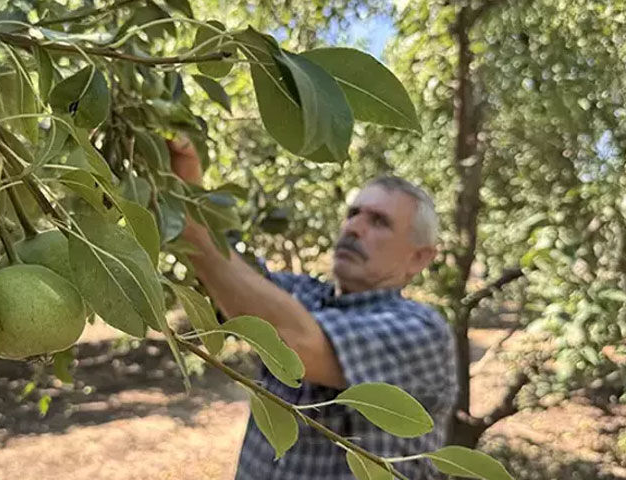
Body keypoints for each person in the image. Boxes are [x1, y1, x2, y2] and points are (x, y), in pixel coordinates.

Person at [168, 137, 459, 480]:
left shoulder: (421, 331)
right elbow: (237, 274)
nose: (354, 228)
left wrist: (190, 229)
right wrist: (185, 183)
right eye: (353, 214)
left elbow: (296, 343)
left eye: (379, 222)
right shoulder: (305, 294)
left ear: (419, 258)